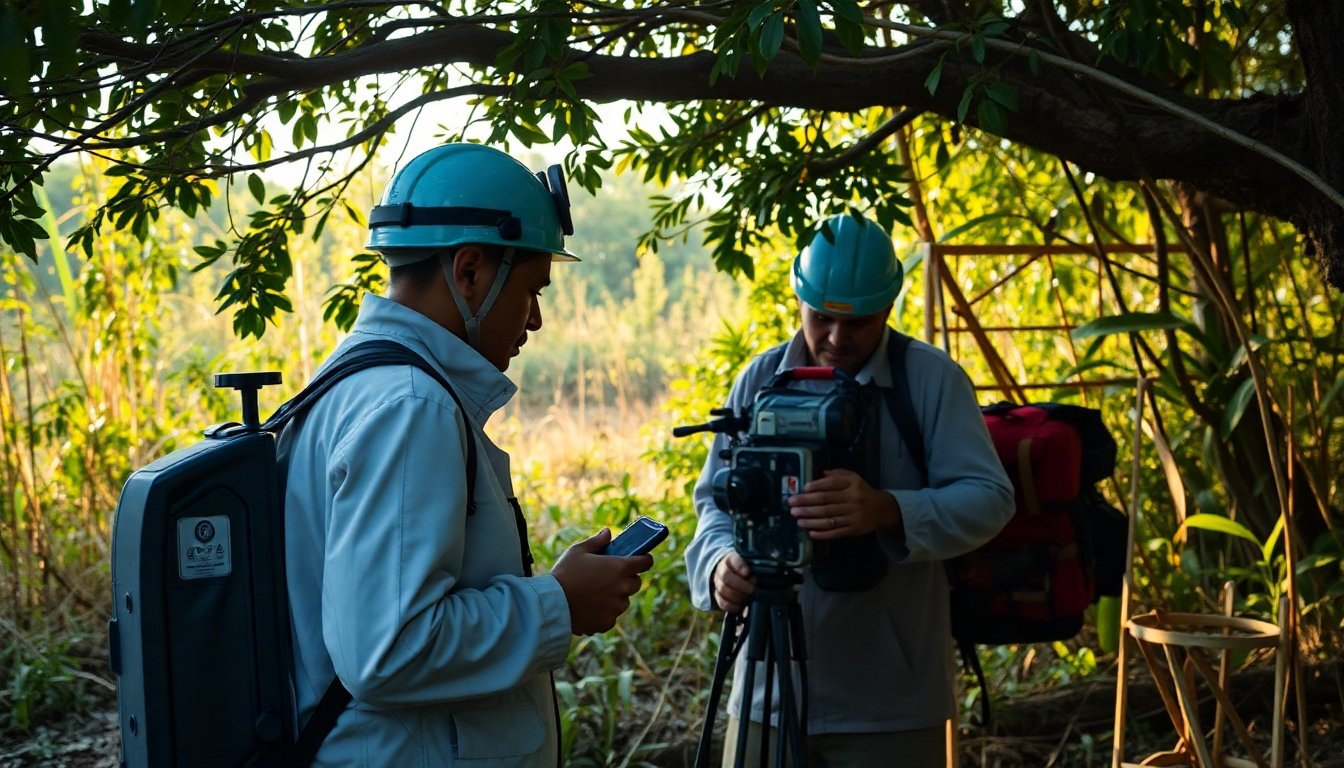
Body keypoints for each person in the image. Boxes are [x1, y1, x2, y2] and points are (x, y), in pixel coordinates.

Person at [279, 143, 653, 766]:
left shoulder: (360, 380)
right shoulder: (409, 406)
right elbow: (389, 649)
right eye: (532, 289)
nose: (533, 320)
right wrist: (559, 601)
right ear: (471, 271)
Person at [684, 213, 1015, 767]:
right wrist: (720, 564)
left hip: (892, 705)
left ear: (888, 307)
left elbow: (989, 497)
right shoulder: (759, 380)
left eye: (857, 323)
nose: (837, 339)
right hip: (768, 691)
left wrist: (889, 510)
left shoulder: (930, 381)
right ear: (799, 300)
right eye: (821, 318)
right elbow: (716, 504)